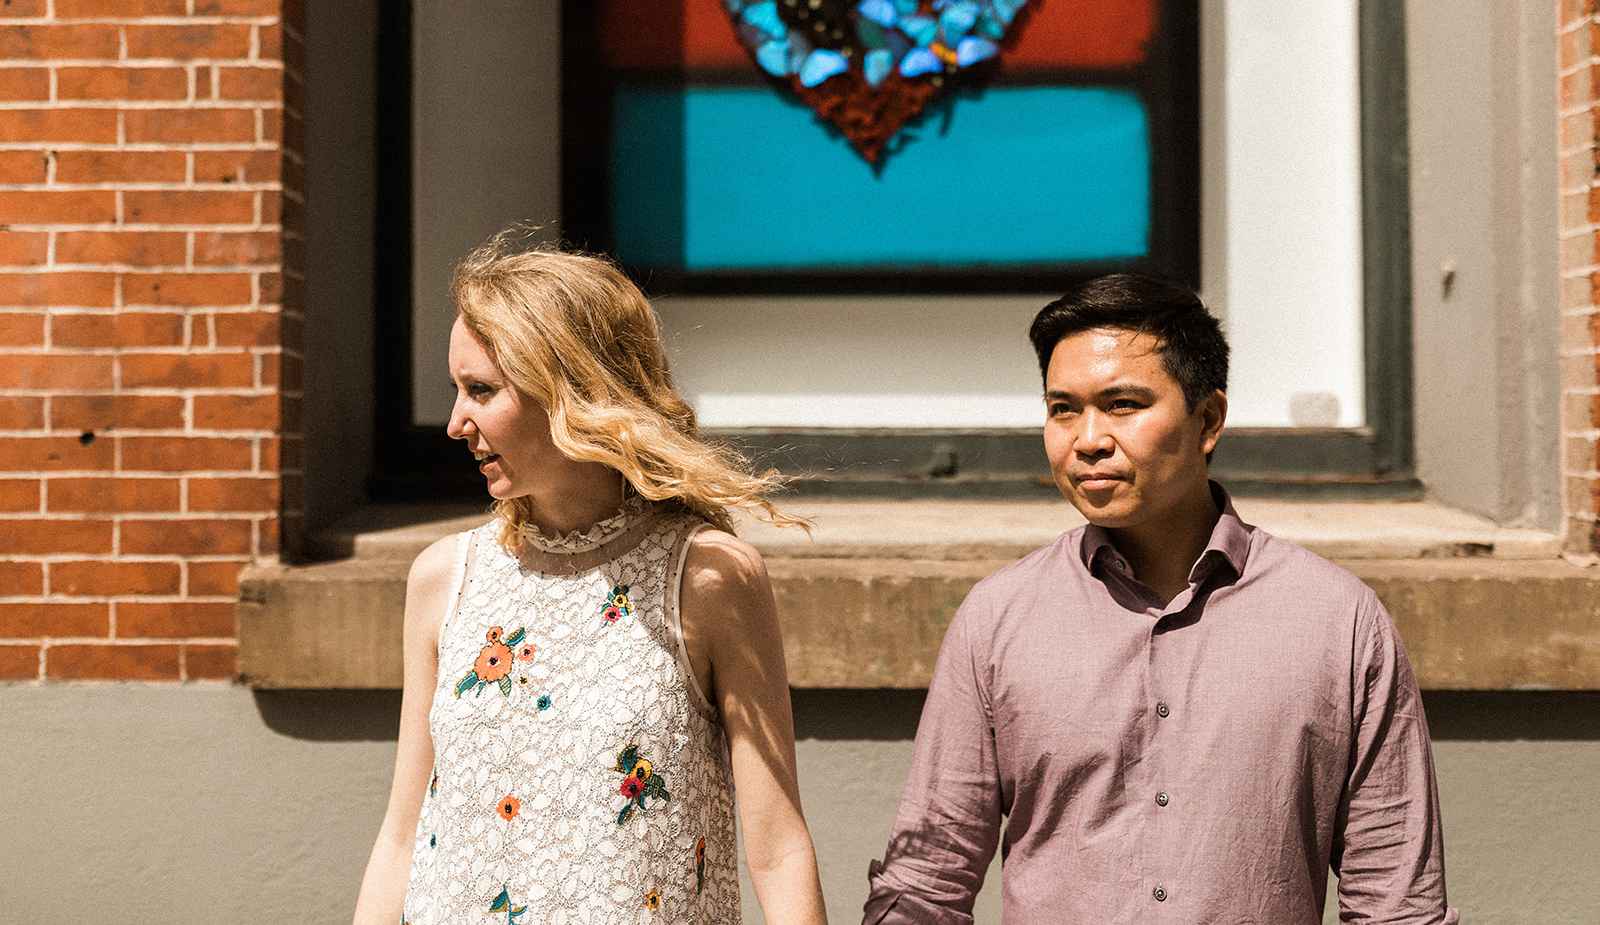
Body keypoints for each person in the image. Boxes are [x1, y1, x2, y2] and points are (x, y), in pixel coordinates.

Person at [863, 274, 1458, 924]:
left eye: (1122, 403)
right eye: (1063, 408)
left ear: (1208, 419)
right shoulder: (997, 619)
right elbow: (925, 885)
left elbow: (1398, 907)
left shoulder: (1339, 622)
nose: (1087, 437)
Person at [353, 231, 829, 925]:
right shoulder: (443, 580)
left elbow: (778, 848)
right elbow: (402, 833)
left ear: (571, 390)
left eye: (481, 390)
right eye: (456, 390)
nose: (456, 422)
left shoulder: (707, 577)